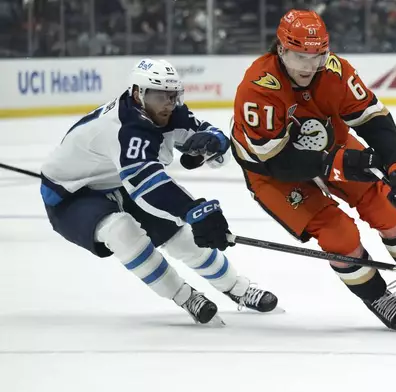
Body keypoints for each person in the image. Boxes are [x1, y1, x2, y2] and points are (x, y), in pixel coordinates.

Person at [230, 9, 396, 330]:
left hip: (331, 145)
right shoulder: (258, 89)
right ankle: (376, 295)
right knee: (338, 235)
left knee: (388, 210)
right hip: (270, 169)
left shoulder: (335, 71)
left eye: (318, 55)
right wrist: (337, 165)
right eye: (300, 56)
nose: (309, 66)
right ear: (281, 49)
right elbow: (278, 162)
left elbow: (374, 121)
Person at [40, 58, 278, 325]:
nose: (167, 103)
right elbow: (147, 186)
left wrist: (215, 141)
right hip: (70, 195)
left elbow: (203, 133)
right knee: (121, 231)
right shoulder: (125, 129)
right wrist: (191, 210)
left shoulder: (165, 111)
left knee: (181, 237)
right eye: (159, 96)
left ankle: (238, 288)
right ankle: (185, 296)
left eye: (172, 95)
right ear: (137, 94)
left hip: (113, 182)